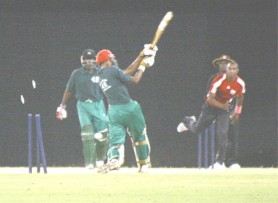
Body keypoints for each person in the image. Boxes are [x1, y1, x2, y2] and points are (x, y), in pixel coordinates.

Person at [96, 45, 157, 173]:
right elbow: (134, 79)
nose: (112, 61)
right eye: (111, 59)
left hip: (113, 112)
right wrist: (142, 66)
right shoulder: (112, 70)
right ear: (107, 61)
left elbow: (126, 72)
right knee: (139, 136)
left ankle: (113, 159)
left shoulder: (101, 74)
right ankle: (144, 165)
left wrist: (141, 56)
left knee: (115, 142)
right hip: (129, 108)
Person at [177, 61, 245, 169]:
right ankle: (188, 120)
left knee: (222, 134)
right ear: (226, 71)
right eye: (229, 69)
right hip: (211, 108)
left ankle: (219, 162)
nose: (231, 71)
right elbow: (209, 100)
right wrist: (221, 105)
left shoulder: (240, 83)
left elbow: (240, 97)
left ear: (237, 71)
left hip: (224, 111)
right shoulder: (219, 80)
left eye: (234, 69)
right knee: (197, 129)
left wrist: (237, 112)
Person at [56, 49, 109, 170]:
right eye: (86, 59)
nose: (89, 62)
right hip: (83, 106)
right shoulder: (77, 73)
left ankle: (100, 160)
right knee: (87, 133)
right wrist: (62, 106)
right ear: (82, 60)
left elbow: (113, 82)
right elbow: (69, 90)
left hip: (98, 104)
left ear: (95, 60)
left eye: (91, 59)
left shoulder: (101, 72)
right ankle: (89, 163)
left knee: (102, 134)